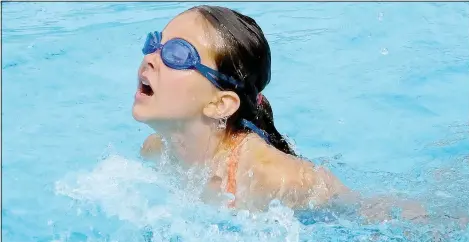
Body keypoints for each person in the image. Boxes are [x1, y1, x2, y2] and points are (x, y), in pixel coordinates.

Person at [132, 4, 426, 221]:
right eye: (155, 43)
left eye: (178, 55)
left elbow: (364, 210)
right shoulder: (156, 150)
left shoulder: (272, 176)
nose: (150, 58)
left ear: (221, 104)